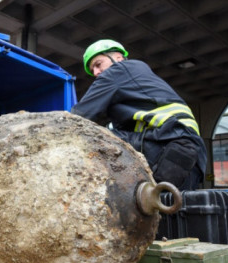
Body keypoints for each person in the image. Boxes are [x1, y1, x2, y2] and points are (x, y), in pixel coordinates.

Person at [71, 39, 207, 191]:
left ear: (118, 58)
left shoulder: (119, 70)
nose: (96, 73)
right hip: (189, 153)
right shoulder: (135, 81)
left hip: (169, 140)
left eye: (98, 64)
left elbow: (79, 117)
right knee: (169, 209)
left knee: (94, 137)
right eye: (93, 70)